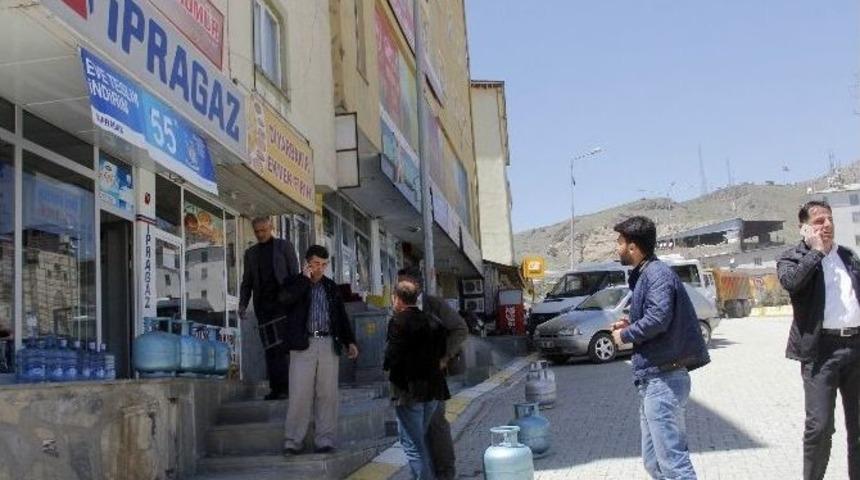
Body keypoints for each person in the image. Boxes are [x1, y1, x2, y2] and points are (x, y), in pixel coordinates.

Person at [609, 216, 709, 479]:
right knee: (655, 463)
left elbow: (658, 319)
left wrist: (625, 335)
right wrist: (630, 321)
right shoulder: (646, 275)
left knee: (674, 465)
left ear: (633, 247)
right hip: (653, 380)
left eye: (620, 242)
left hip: (664, 380)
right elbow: (655, 315)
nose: (616, 248)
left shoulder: (656, 274)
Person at [777, 200, 860, 480]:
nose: (826, 225)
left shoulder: (848, 257)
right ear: (804, 228)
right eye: (818, 221)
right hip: (820, 352)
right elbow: (792, 283)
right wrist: (816, 252)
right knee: (820, 426)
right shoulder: (792, 258)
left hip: (856, 348)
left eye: (829, 219)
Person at [281, 245, 359, 455]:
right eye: (316, 264)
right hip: (302, 345)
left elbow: (341, 316)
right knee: (299, 394)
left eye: (324, 264)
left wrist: (349, 341)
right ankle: (293, 441)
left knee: (327, 395)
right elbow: (284, 301)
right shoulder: (293, 283)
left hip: (327, 344)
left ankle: (325, 440)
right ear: (307, 263)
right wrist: (304, 280)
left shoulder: (331, 287)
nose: (320, 268)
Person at [397, 267, 468, 480]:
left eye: (405, 283)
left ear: (417, 286)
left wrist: (444, 357)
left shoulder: (433, 305)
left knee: (435, 426)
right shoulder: (398, 305)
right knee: (416, 431)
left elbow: (460, 329)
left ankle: (445, 472)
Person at [384, 280, 450, 480]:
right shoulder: (434, 321)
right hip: (434, 390)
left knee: (413, 445)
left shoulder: (397, 322)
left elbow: (391, 357)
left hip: (409, 391)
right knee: (419, 441)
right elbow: (442, 353)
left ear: (397, 299)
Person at [238, 217, 298, 400]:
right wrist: (242, 303)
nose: (260, 234)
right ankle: (275, 388)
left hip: (282, 305)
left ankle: (285, 389)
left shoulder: (284, 247)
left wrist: (295, 300)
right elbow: (246, 282)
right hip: (263, 307)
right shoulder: (251, 253)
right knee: (269, 348)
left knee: (281, 347)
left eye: (263, 230)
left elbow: (294, 275)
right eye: (257, 232)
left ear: (271, 228)